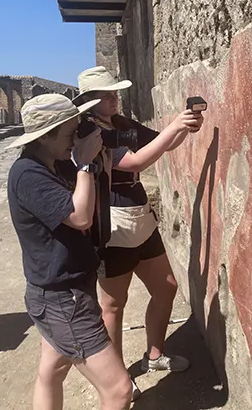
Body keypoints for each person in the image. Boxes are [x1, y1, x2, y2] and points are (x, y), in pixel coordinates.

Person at [72, 66, 204, 400]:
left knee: (166, 287)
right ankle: (117, 380)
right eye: (108, 93)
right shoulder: (88, 132)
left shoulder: (120, 124)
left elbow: (160, 144)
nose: (115, 96)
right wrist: (174, 126)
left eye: (114, 91)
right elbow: (136, 163)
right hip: (112, 224)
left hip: (139, 217)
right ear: (89, 101)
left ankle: (154, 356)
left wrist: (183, 126)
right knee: (113, 306)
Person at [5, 93, 133, 410]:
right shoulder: (28, 174)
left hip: (59, 290)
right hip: (63, 297)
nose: (74, 139)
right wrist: (85, 164)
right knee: (118, 390)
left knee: (53, 370)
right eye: (69, 133)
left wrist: (95, 163)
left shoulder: (54, 163)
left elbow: (91, 199)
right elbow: (80, 217)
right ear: (45, 136)